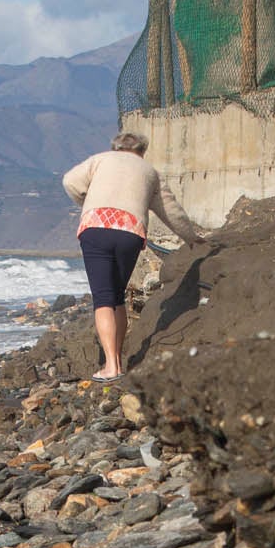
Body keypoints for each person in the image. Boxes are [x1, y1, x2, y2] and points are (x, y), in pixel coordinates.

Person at [61, 131, 207, 380]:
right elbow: (170, 210)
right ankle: (117, 359)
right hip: (130, 232)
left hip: (96, 228)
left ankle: (111, 366)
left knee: (103, 299)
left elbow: (70, 181)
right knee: (117, 297)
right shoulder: (149, 172)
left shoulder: (100, 160)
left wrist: (87, 204)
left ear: (115, 147)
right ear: (142, 151)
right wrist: (191, 237)